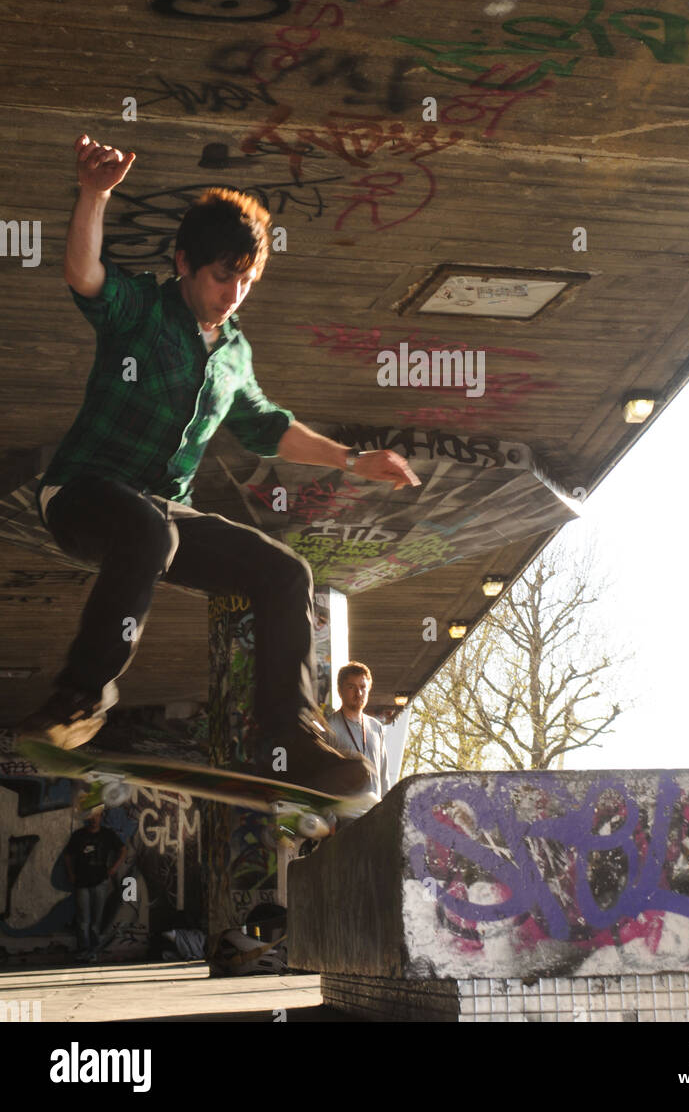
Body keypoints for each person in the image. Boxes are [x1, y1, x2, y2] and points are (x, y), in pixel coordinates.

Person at [18, 135, 421, 795]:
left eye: (245, 280)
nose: (232, 293)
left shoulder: (234, 353)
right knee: (150, 530)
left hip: (161, 515)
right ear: (183, 264)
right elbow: (84, 275)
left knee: (285, 573)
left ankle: (289, 740)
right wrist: (94, 195)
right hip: (82, 495)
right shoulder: (143, 312)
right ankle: (77, 701)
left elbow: (268, 427)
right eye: (220, 276)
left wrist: (352, 460)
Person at [64, 807, 125, 961]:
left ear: (101, 816)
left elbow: (123, 850)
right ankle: (85, 950)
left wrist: (113, 869)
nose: (93, 819)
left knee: (96, 922)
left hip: (100, 882)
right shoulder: (79, 835)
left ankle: (93, 952)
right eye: (91, 816)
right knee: (83, 921)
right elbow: (68, 855)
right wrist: (71, 874)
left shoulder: (107, 834)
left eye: (96, 816)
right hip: (82, 883)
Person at [326, 662, 390, 799]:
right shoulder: (329, 728)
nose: (358, 693)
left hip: (375, 814)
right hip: (344, 818)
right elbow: (322, 777)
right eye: (351, 687)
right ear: (339, 690)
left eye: (363, 687)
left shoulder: (376, 727)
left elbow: (384, 776)